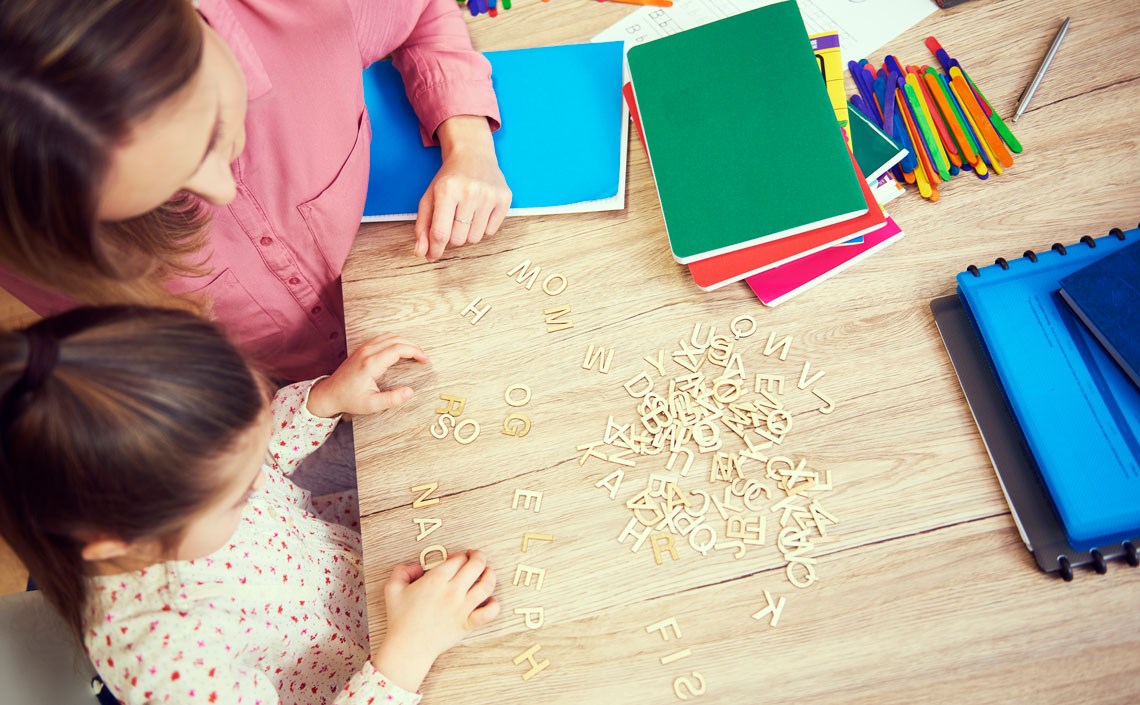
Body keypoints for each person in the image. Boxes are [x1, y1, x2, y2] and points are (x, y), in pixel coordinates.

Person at [0, 305, 500, 704]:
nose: (256, 482)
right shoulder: (168, 664)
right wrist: (406, 651)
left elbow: (255, 460)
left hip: (369, 574)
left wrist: (323, 400)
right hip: (381, 672)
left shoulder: (170, 485)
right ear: (118, 538)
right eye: (238, 494)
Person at [0, 0, 511, 382]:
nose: (218, 192)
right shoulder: (29, 236)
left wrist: (466, 141)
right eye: (162, 193)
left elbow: (423, 11)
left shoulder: (298, 11)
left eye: (215, 131)